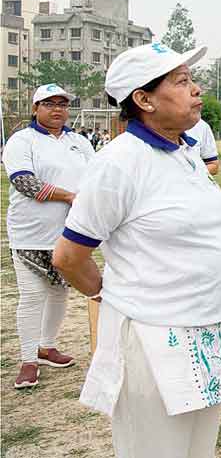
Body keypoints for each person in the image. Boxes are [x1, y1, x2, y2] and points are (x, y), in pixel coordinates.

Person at [52, 42, 221, 457]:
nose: (196, 90)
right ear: (143, 100)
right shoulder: (119, 163)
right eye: (181, 82)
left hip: (209, 330)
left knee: (199, 450)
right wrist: (110, 295)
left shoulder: (187, 152)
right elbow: (69, 257)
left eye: (191, 79)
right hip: (154, 338)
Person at [2, 84, 94, 389]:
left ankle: (46, 346)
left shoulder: (79, 142)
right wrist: (68, 196)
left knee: (59, 293)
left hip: (70, 234)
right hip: (30, 233)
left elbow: (96, 178)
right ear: (35, 108)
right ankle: (28, 360)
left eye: (62, 104)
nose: (57, 109)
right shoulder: (22, 140)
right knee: (32, 296)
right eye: (49, 103)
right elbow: (24, 182)